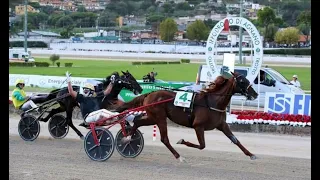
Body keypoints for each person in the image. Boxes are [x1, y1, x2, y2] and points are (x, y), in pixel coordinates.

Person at [65, 71, 139, 128]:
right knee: (103, 111)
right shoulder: (81, 97)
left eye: (86, 90)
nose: (84, 92)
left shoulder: (97, 95)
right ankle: (115, 116)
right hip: (88, 118)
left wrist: (112, 82)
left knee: (119, 113)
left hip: (98, 117)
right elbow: (71, 92)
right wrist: (69, 81)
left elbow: (107, 91)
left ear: (91, 91)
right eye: (84, 90)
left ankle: (134, 117)